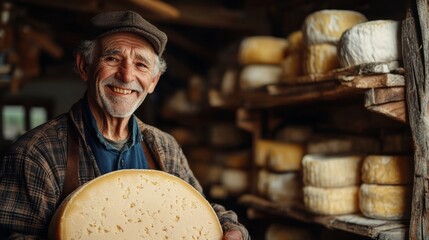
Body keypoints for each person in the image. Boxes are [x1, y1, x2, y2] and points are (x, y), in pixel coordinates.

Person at [0, 10, 249, 239]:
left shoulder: (164, 147)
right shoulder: (36, 153)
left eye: (141, 64)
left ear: (152, 81)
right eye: (112, 58)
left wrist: (231, 228)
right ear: (84, 66)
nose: (127, 75)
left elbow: (197, 207)